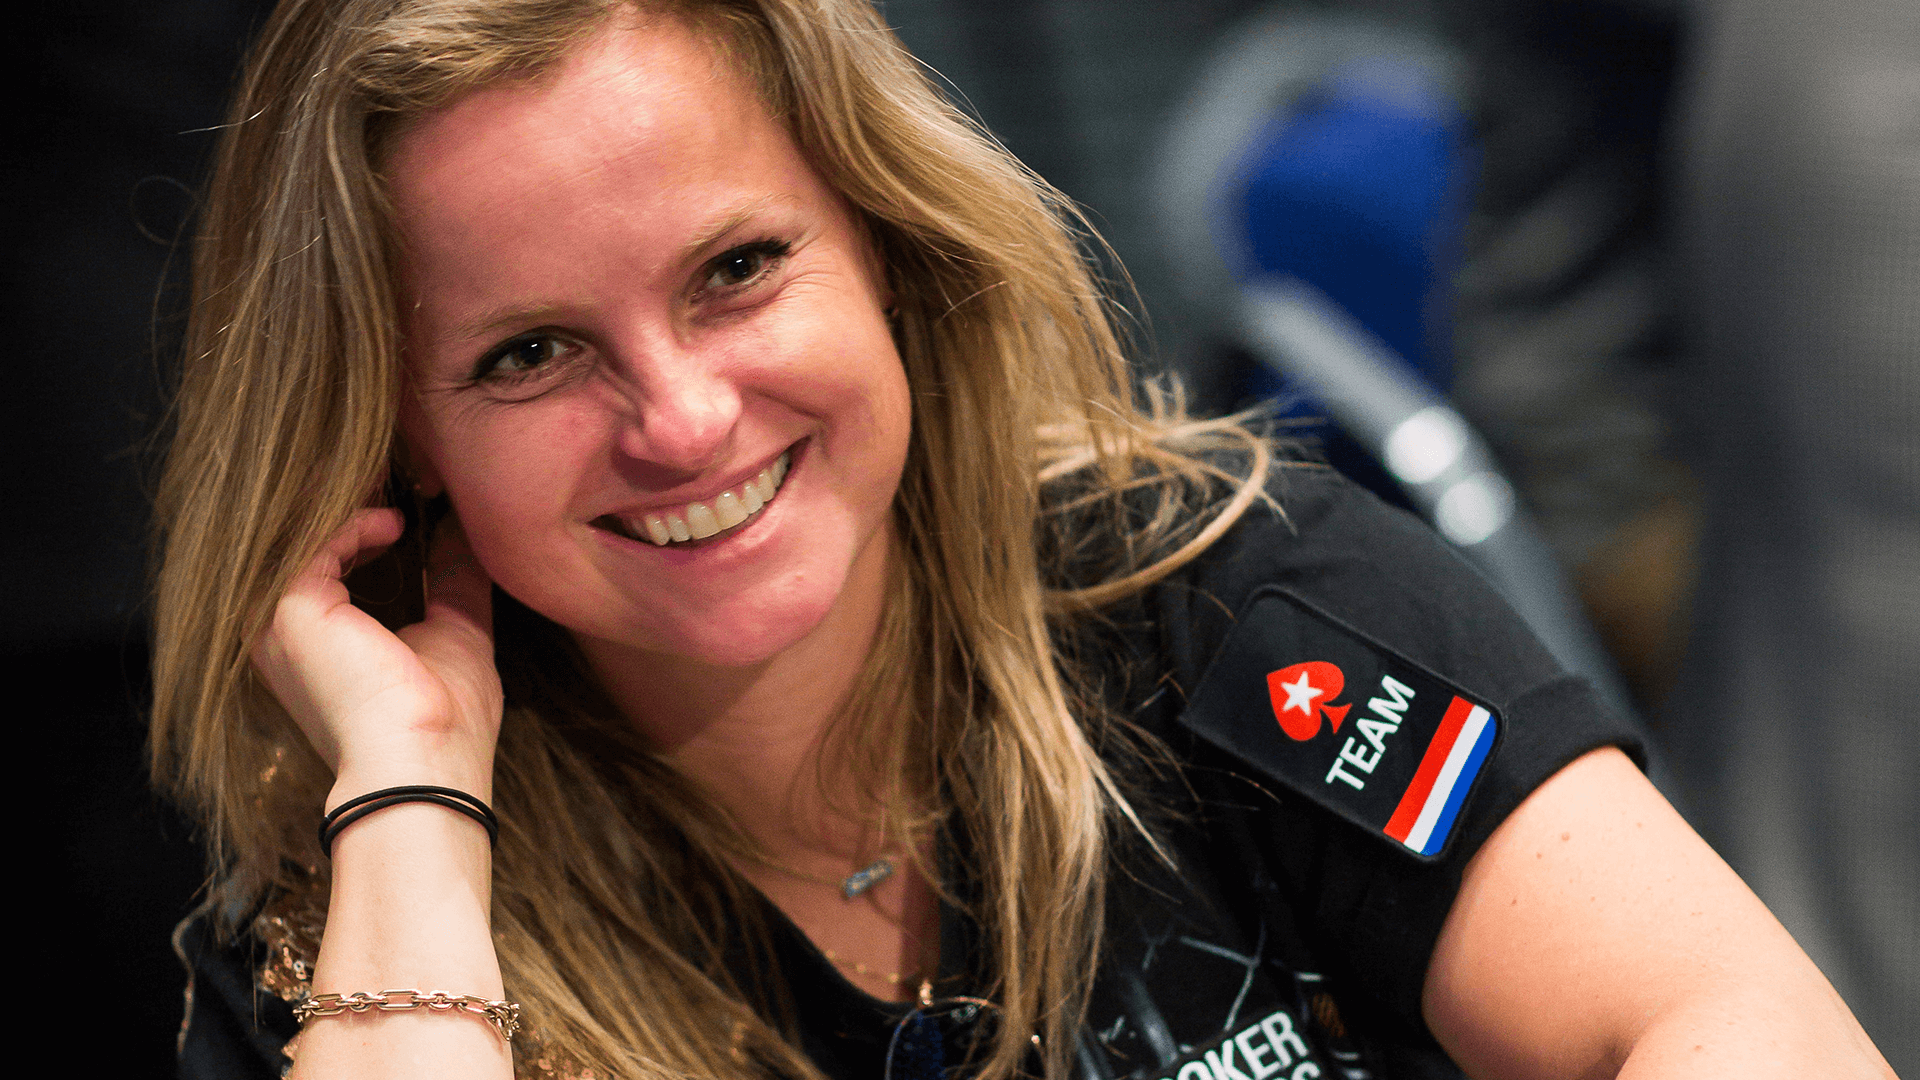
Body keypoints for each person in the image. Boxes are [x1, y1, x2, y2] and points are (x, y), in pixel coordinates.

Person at [151, 2, 1891, 1079]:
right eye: (531, 354)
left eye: (737, 270)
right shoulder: (361, 919)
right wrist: (413, 795)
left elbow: (1735, 1026)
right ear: (399, 435)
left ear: (885, 244)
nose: (680, 421)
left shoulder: (1217, 600)